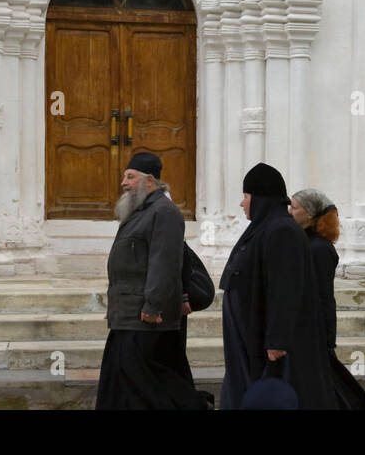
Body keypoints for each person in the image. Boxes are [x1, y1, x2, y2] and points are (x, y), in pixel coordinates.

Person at [217, 162, 338, 409]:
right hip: (251, 335)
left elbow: (285, 289)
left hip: (266, 342)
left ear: (260, 198)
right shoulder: (265, 227)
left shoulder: (282, 230)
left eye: (246, 196)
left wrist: (277, 339)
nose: (242, 203)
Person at [95, 152, 207, 409]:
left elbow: (164, 264)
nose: (123, 182)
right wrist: (116, 306)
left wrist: (153, 305)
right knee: (121, 375)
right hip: (128, 313)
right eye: (125, 176)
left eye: (130, 177)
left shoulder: (163, 212)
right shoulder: (141, 211)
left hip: (146, 317)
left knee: (142, 382)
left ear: (150, 181)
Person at [289, 188, 365, 410]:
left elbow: (323, 296)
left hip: (314, 329)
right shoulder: (305, 242)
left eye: (294, 207)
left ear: (309, 214)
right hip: (305, 328)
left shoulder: (319, 249)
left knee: (331, 383)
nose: (289, 211)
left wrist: (327, 337)